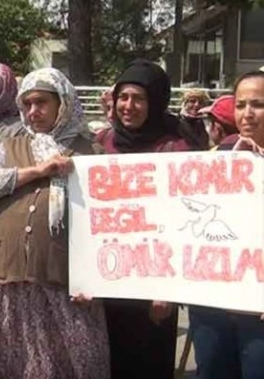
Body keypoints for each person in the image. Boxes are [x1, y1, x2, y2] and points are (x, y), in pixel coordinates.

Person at [0, 68, 109, 378]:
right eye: (27, 104)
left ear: (64, 104)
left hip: (61, 282)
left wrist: (96, 278)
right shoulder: (14, 146)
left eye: (42, 103)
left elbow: (104, 222)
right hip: (3, 275)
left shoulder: (89, 152)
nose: (33, 112)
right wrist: (38, 171)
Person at [96, 59, 196, 379]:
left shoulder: (176, 149)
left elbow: (183, 223)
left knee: (146, 362)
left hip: (153, 289)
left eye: (139, 98)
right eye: (123, 97)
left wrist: (165, 289)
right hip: (106, 280)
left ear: (156, 102)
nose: (128, 106)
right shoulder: (101, 143)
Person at [187, 71, 264, 379]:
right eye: (241, 104)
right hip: (211, 307)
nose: (247, 114)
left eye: (258, 104)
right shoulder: (211, 160)